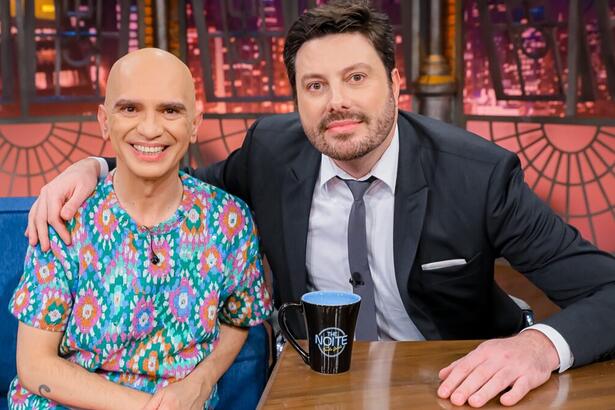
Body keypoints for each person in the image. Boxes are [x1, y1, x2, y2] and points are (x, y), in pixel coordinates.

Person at [26, 0, 615, 407]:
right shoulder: (269, 152)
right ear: (296, 98)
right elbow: (174, 184)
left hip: (452, 384)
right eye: (315, 85)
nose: (337, 102)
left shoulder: (478, 176)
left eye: (356, 77)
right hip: (316, 383)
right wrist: (95, 165)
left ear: (394, 82)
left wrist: (540, 348)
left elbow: (607, 290)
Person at [10, 48, 272, 410]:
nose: (150, 128)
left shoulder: (229, 220)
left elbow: (238, 318)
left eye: (170, 110)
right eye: (130, 109)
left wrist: (201, 381)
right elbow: (35, 365)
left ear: (195, 123)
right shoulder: (64, 215)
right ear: (104, 121)